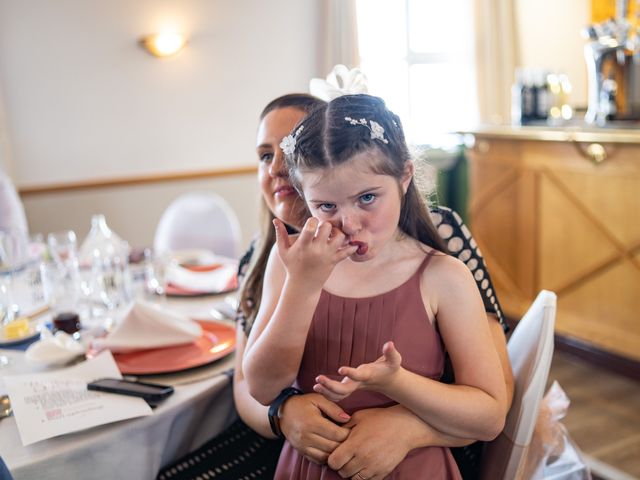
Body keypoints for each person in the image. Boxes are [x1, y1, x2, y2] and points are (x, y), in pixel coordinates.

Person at [157, 93, 513, 480]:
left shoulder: (443, 276)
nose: (349, 223)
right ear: (304, 198)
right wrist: (303, 286)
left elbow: (490, 415)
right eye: (326, 206)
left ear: (405, 177)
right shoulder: (289, 261)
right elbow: (260, 386)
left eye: (367, 198)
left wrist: (398, 384)